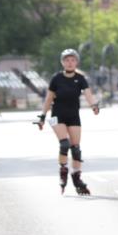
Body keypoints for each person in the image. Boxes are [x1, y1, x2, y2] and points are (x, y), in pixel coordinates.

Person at [36, 49, 100, 195]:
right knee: (64, 144)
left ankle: (76, 178)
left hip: (73, 116)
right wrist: (42, 116)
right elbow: (48, 99)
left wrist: (94, 106)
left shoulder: (80, 78)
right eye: (67, 60)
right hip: (56, 115)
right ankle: (63, 169)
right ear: (62, 62)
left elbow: (88, 95)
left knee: (76, 149)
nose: (70, 63)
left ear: (76, 62)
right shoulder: (56, 78)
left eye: (72, 60)